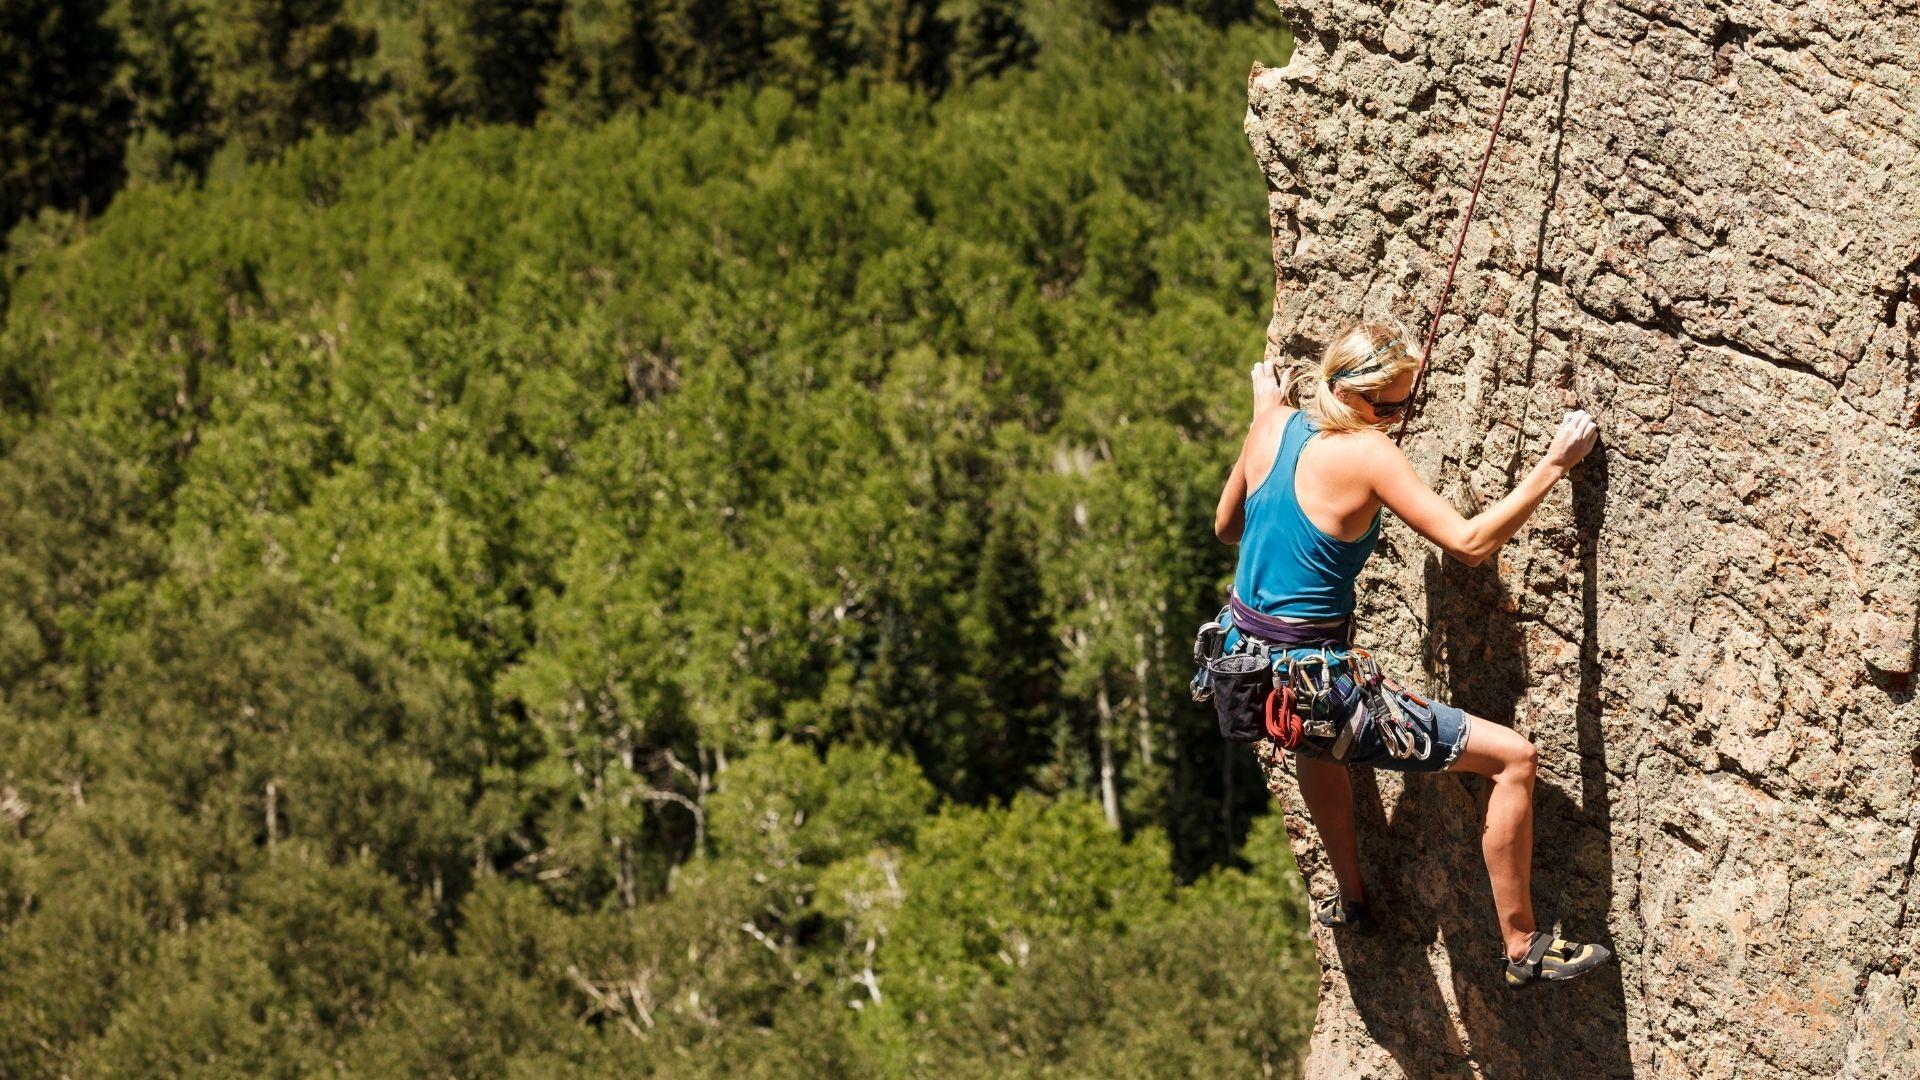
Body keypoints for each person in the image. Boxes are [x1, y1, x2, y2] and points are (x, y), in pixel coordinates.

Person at [1213, 322, 1613, 987]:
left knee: (1315, 746)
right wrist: (1553, 465)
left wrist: (1263, 424)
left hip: (1246, 672)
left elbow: (1227, 527)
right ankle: (1522, 947)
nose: (1400, 418)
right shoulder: (1367, 452)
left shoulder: (1274, 423)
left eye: (1409, 403)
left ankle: (1355, 898)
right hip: (1317, 687)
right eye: (1392, 406)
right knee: (1515, 759)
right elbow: (1468, 542)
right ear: (1356, 398)